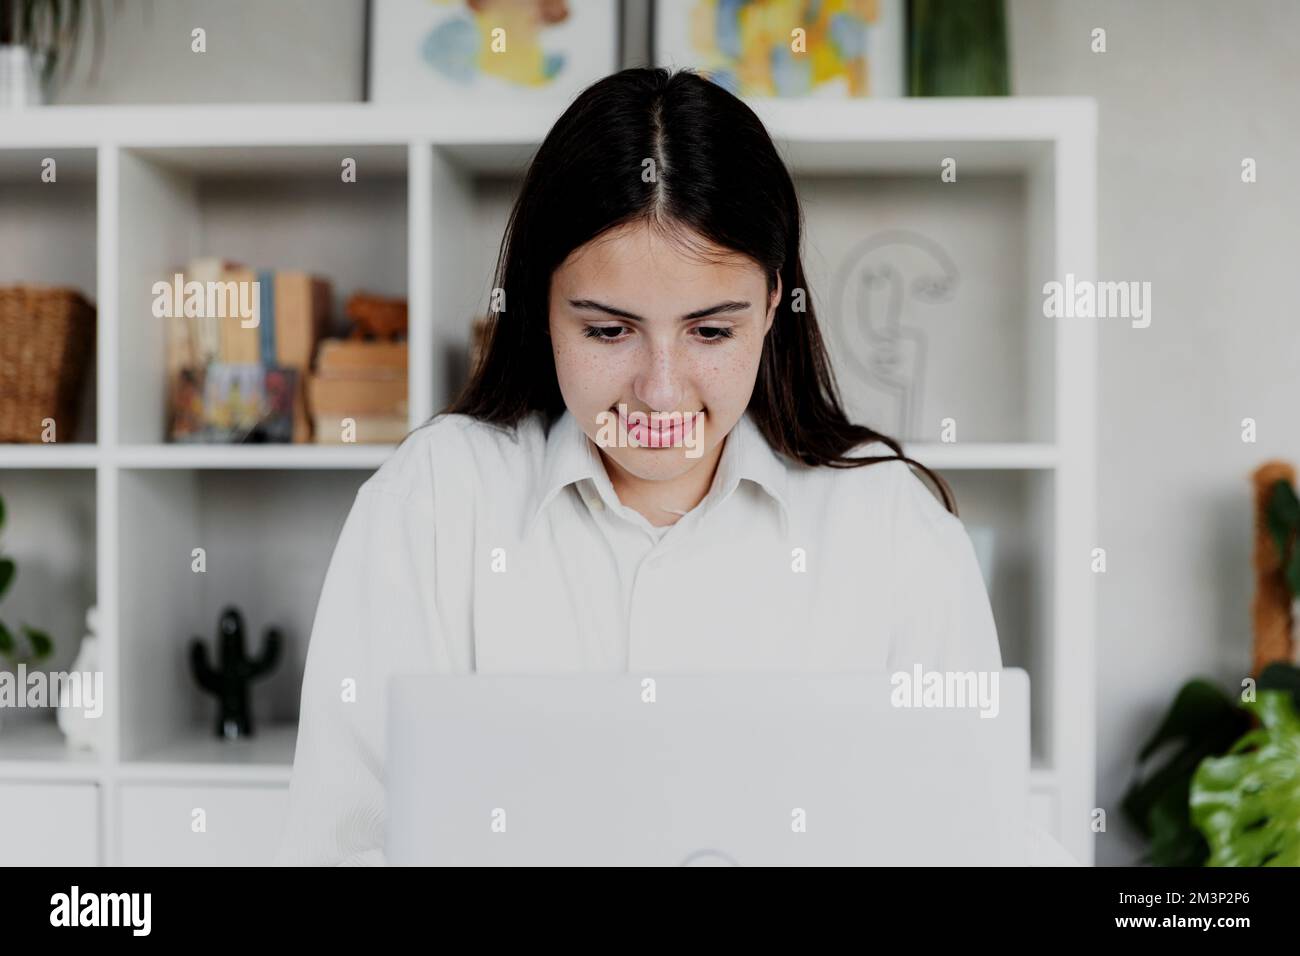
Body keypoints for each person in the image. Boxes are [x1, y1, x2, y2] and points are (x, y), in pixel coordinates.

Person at [275, 67, 1075, 866]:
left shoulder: (890, 524)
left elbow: (977, 838)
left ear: (772, 306)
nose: (660, 394)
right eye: (608, 332)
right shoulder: (436, 503)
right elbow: (341, 843)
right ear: (540, 308)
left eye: (710, 332)